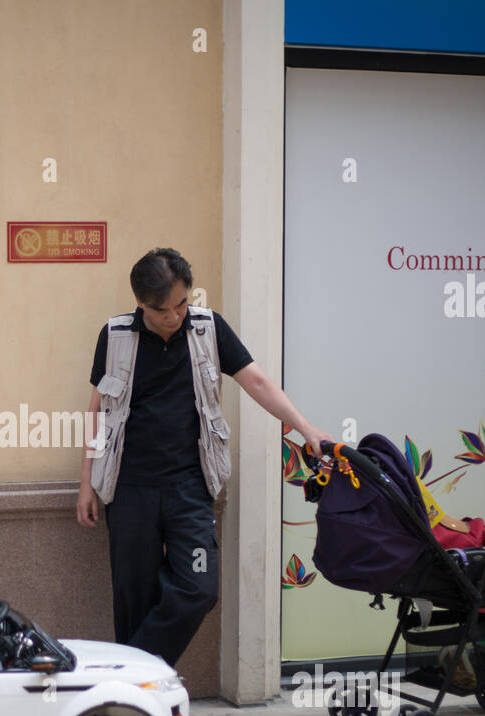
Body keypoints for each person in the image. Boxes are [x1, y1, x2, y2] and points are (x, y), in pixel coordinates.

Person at [76, 247, 331, 671]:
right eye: (162, 310)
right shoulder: (116, 335)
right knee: (133, 599)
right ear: (140, 303)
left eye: (182, 303)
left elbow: (258, 381)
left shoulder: (208, 329)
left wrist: (305, 428)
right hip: (129, 488)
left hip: (189, 489)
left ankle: (127, 675)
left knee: (199, 588)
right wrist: (86, 482)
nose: (175, 315)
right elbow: (97, 411)